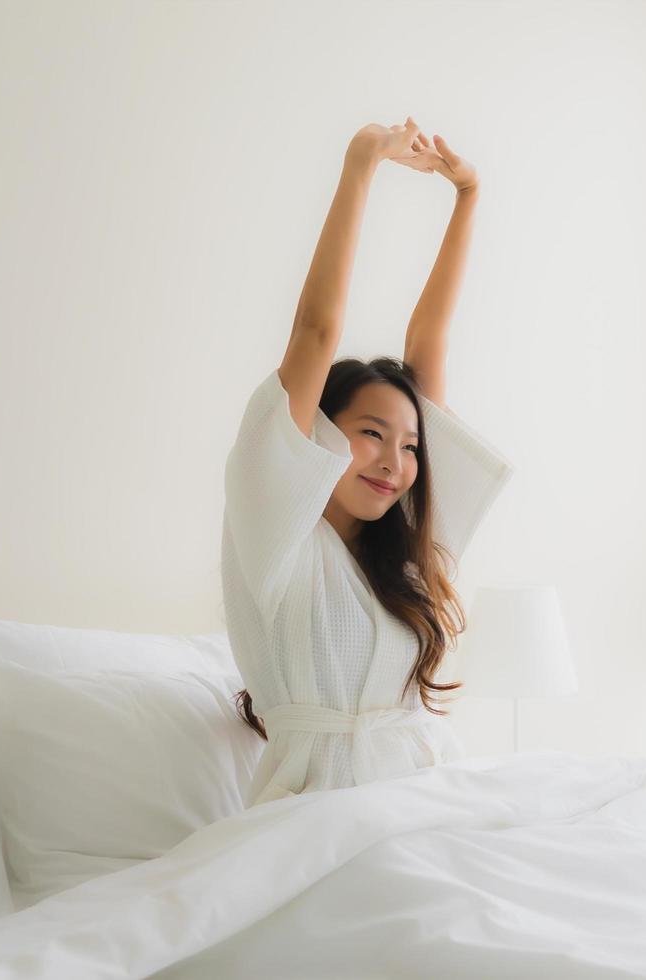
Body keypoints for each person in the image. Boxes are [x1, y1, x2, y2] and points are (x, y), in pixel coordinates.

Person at [220, 117, 514, 807]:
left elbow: (429, 340)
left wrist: (467, 195)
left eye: (410, 445)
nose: (396, 462)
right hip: (321, 813)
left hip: (429, 797)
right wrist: (361, 164)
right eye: (371, 434)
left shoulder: (403, 551)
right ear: (318, 433)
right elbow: (315, 331)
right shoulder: (274, 533)